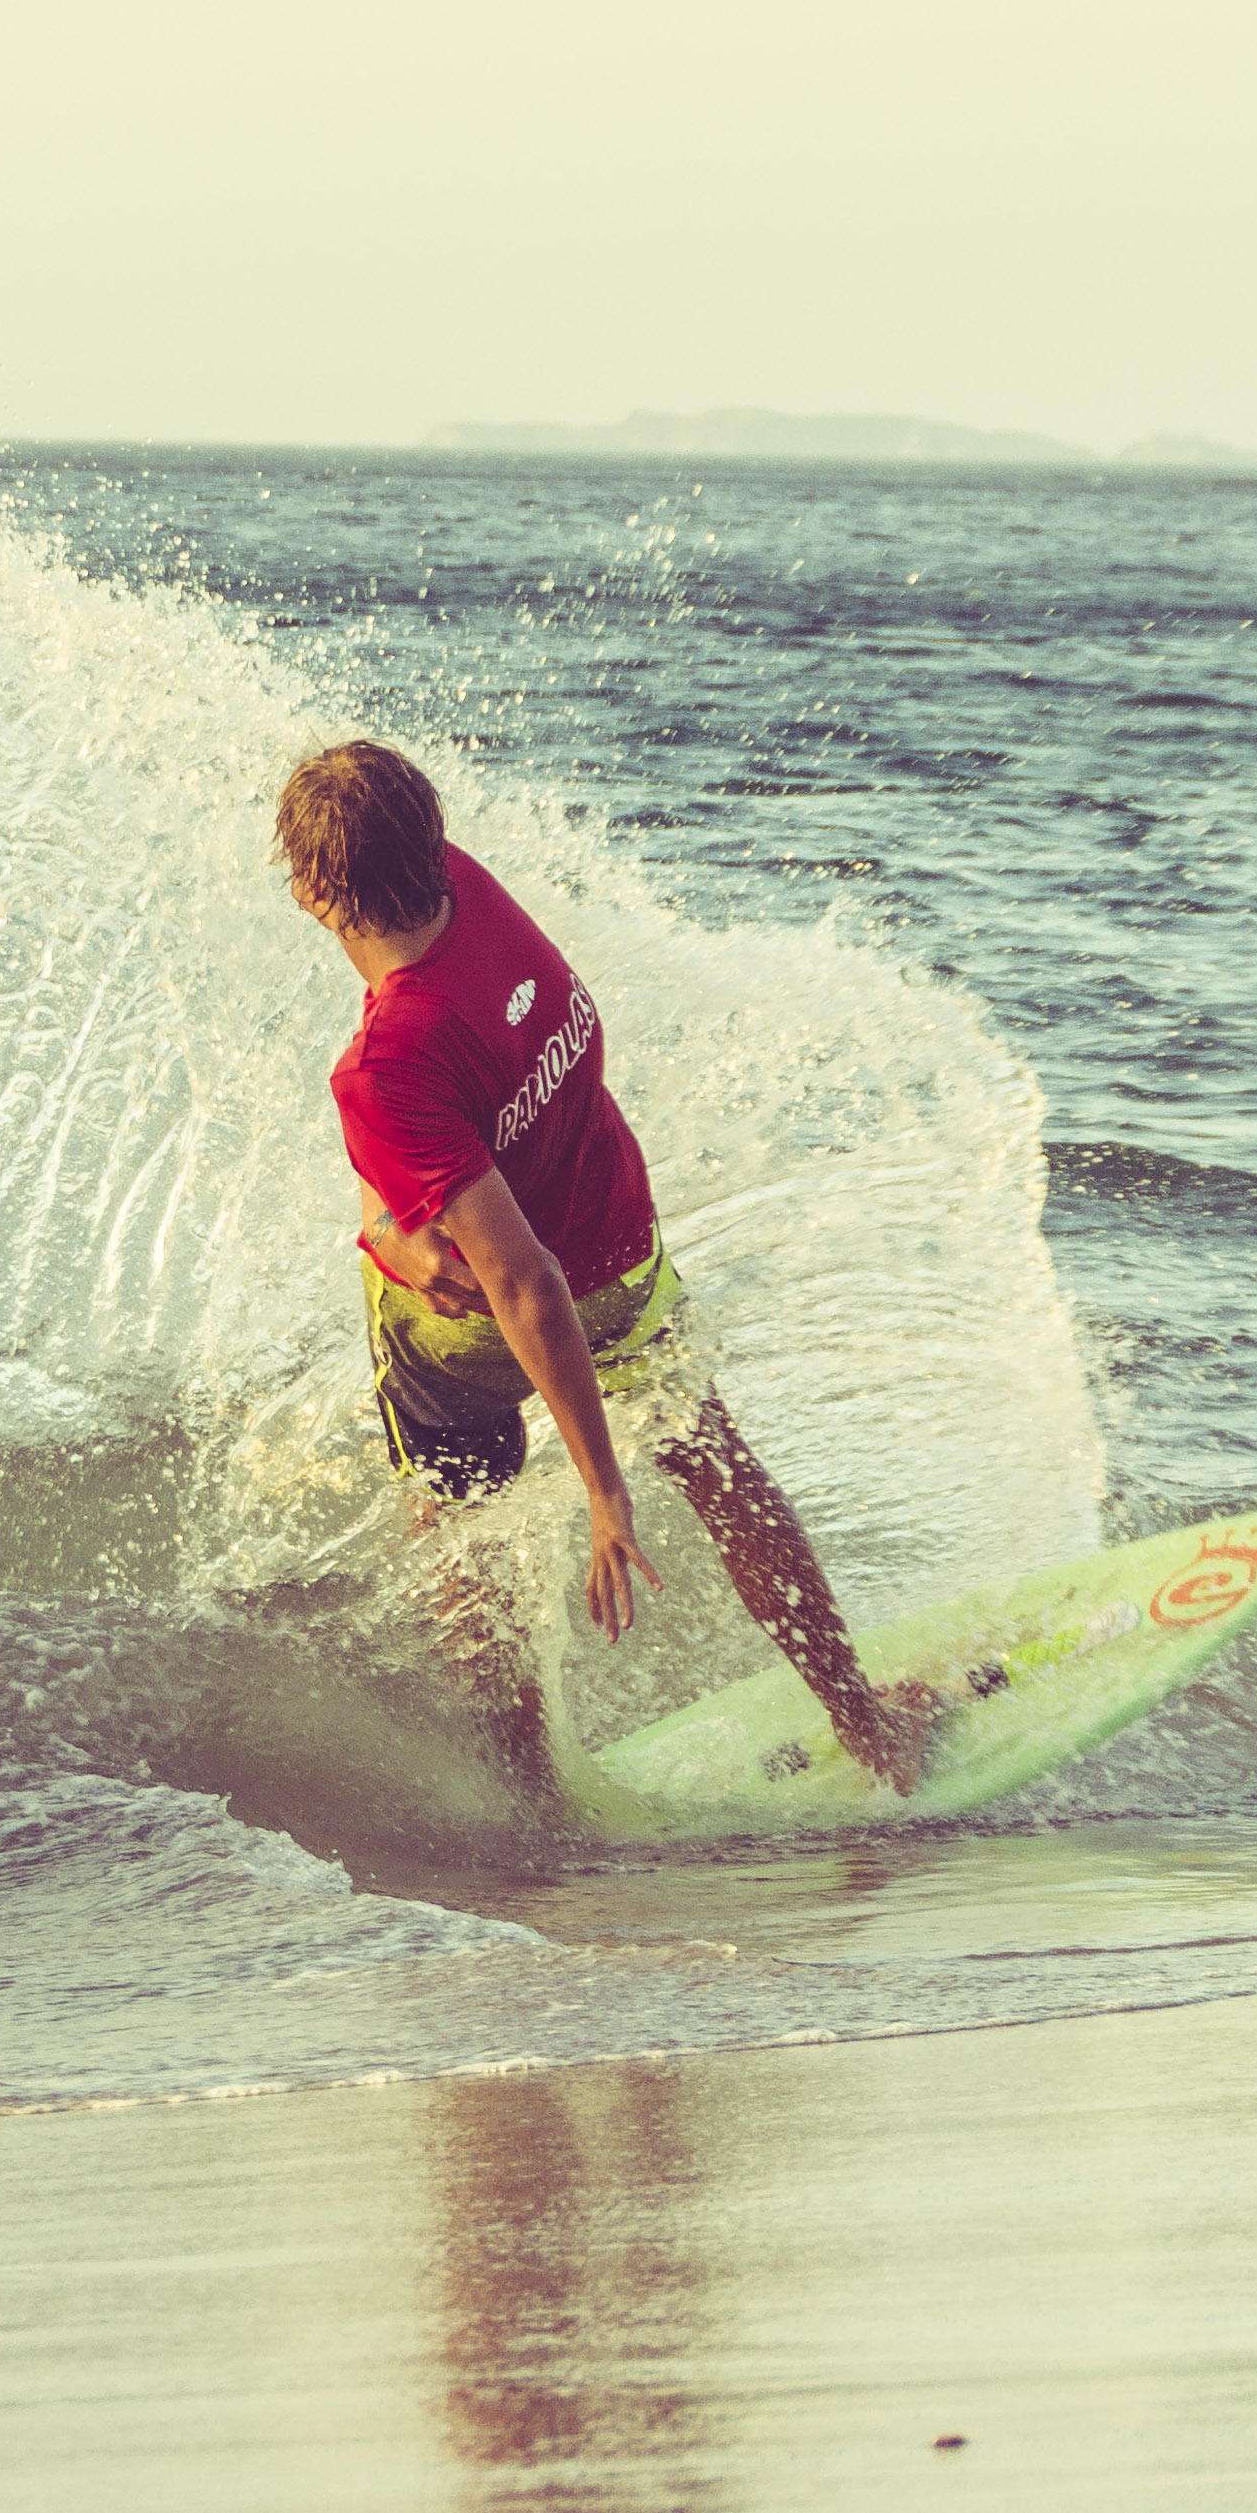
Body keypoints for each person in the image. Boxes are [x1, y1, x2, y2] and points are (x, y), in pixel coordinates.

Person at [283, 738, 934, 1805]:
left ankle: (536, 1797)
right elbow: (435, 1123)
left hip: (480, 1325)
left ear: (313, 892)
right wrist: (394, 1218)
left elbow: (523, 1283)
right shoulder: (470, 892)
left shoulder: (386, 1065)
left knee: (464, 1527)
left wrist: (603, 1489)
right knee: (722, 1469)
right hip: (623, 1265)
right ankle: (866, 1722)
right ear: (430, 840)